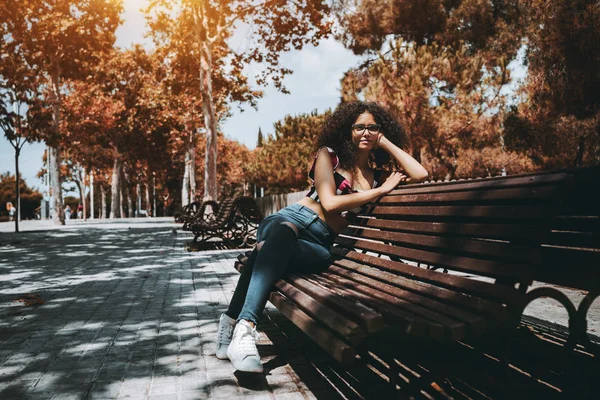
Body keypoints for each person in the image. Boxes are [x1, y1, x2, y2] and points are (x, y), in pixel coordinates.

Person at [216, 101, 428, 373]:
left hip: (320, 244)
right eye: (359, 127)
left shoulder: (377, 176)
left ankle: (230, 320)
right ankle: (245, 330)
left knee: (265, 251)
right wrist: (379, 192)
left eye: (372, 128)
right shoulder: (329, 156)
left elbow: (420, 174)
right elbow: (328, 202)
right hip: (291, 220)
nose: (366, 132)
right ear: (346, 130)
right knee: (281, 234)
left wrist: (384, 141)